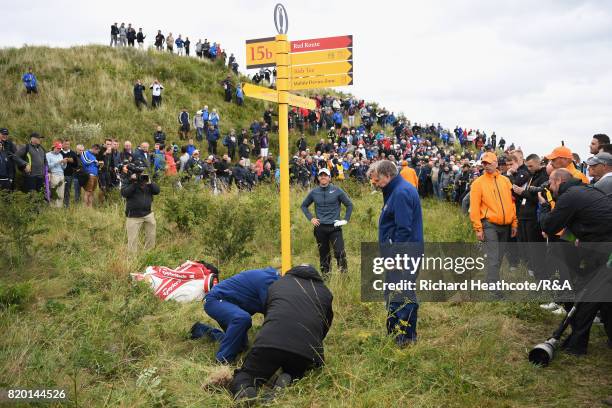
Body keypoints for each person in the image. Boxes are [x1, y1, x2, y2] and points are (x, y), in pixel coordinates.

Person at [230, 264, 333, 401]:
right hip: (305, 350)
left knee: (248, 374)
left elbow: (270, 314)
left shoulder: (277, 284)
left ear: (293, 272)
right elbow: (324, 328)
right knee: (297, 371)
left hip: (269, 343)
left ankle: (245, 389)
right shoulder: (325, 292)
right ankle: (287, 379)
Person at [538, 168, 612, 355]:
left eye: (551, 183)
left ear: (559, 182)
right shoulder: (586, 190)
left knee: (586, 296)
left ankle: (576, 346)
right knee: (604, 295)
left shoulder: (570, 196)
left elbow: (550, 225)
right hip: (600, 245)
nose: (549, 186)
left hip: (603, 249)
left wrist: (545, 206)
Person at [367, 160, 423, 347]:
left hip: (403, 254)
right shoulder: (395, 190)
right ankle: (398, 333)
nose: (375, 184)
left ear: (387, 176)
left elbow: (403, 229)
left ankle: (404, 337)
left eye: (376, 181)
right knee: (395, 292)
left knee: (401, 293)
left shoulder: (400, 193)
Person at [191, 267, 280, 363]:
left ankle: (199, 329)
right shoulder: (270, 282)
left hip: (233, 306)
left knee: (240, 347)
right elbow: (274, 318)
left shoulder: (276, 282)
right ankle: (223, 361)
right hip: (216, 300)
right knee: (241, 319)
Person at [469, 152, 517, 284]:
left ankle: (492, 280)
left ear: (496, 163)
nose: (486, 166)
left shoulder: (506, 181)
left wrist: (514, 223)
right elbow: (474, 208)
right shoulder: (478, 183)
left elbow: (512, 203)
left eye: (489, 163)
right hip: (489, 224)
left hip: (506, 225)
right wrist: (478, 228)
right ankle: (493, 287)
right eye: (484, 163)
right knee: (493, 257)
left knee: (499, 257)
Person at [301, 167, 353, 275]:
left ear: (329, 178)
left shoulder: (337, 190)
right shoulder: (314, 192)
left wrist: (345, 220)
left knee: (340, 252)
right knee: (324, 254)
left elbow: (349, 205)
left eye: (325, 175)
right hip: (320, 227)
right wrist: (311, 218)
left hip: (335, 226)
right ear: (318, 178)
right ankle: (326, 277)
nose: (323, 177)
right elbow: (304, 206)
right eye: (321, 175)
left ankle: (344, 277)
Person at [511, 153, 548, 278]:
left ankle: (538, 272)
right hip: (523, 215)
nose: (529, 169)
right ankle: (530, 267)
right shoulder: (531, 175)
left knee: (534, 246)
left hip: (533, 217)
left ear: (539, 163)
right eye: (527, 166)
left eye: (531, 166)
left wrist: (523, 192)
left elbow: (539, 196)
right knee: (525, 245)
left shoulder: (543, 176)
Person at [120, 163, 160, 253]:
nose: (140, 175)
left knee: (151, 238)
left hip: (148, 214)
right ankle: (132, 261)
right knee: (132, 241)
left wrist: (150, 183)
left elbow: (157, 191)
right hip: (133, 216)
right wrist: (133, 183)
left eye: (142, 172)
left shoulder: (146, 179)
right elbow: (124, 193)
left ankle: (149, 256)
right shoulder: (128, 179)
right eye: (139, 173)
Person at [45, 141, 67, 207]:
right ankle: (52, 207)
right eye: (58, 148)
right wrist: (58, 162)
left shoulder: (60, 155)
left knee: (61, 193)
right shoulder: (48, 155)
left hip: (61, 175)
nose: (59, 150)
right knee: (54, 192)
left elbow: (63, 168)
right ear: (54, 147)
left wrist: (65, 163)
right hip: (54, 175)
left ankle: (59, 208)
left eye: (60, 148)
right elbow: (48, 166)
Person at [60, 139, 79, 207]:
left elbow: (76, 164)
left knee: (67, 190)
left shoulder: (72, 153)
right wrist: (62, 161)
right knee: (59, 189)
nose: (67, 145)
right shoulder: (59, 151)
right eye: (65, 144)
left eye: (68, 144)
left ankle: (66, 205)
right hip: (59, 174)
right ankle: (58, 205)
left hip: (69, 174)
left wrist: (72, 161)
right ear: (62, 144)